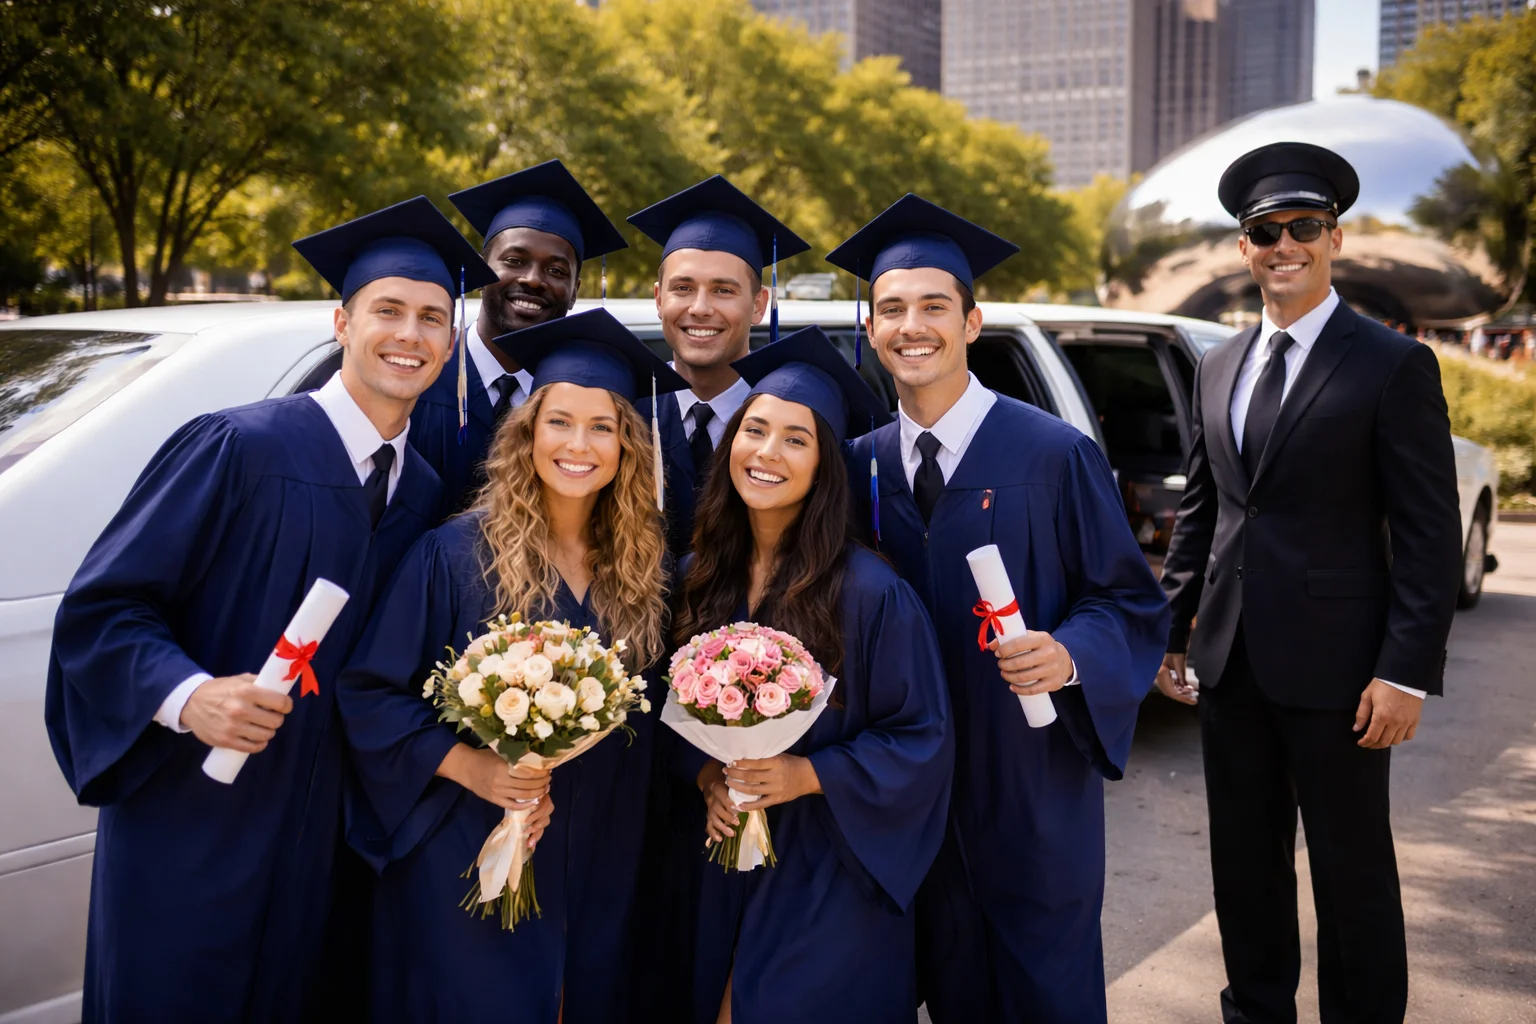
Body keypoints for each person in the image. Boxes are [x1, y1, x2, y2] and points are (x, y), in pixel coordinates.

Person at [44, 197, 493, 1022]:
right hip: (197, 815)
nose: (411, 335)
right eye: (387, 311)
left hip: (320, 840)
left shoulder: (421, 489)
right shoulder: (239, 447)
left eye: (434, 318)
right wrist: (190, 696)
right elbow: (104, 608)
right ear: (341, 322)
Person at [830, 195, 1171, 1022]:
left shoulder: (1053, 455)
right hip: (910, 790)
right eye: (893, 310)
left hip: (1029, 784)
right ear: (870, 330)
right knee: (935, 981)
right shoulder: (857, 467)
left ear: (973, 322)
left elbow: (1127, 600)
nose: (913, 326)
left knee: (1042, 988)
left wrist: (1069, 653)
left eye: (934, 307)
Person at [1157, 142, 1463, 1024]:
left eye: (1303, 227)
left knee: (1351, 871)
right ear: (1242, 248)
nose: (1283, 244)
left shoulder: (1391, 364)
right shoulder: (1219, 364)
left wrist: (1406, 670)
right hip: (1233, 666)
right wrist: (1175, 633)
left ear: (1335, 239)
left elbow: (1429, 533)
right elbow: (1205, 515)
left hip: (1345, 676)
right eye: (1265, 231)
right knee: (1244, 866)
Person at [337, 308, 684, 1023]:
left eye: (603, 427)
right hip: (469, 841)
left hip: (607, 850)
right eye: (559, 422)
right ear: (527, 435)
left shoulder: (647, 570)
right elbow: (371, 693)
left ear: (629, 447)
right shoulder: (454, 555)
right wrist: (477, 770)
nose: (578, 445)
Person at [672, 327, 954, 1024]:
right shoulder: (699, 578)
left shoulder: (870, 593)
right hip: (722, 853)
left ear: (827, 466)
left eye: (796, 439)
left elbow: (921, 737)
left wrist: (806, 775)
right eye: (755, 430)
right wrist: (709, 777)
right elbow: (665, 715)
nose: (767, 453)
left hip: (833, 863)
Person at [410, 159, 629, 514]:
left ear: (575, 290)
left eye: (556, 270)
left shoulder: (585, 406)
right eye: (514, 260)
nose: (533, 279)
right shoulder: (418, 380)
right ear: (482, 268)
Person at [627, 175, 809, 555]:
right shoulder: (623, 414)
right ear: (659, 299)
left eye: (723, 290)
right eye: (683, 288)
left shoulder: (798, 425)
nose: (700, 308)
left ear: (759, 304)